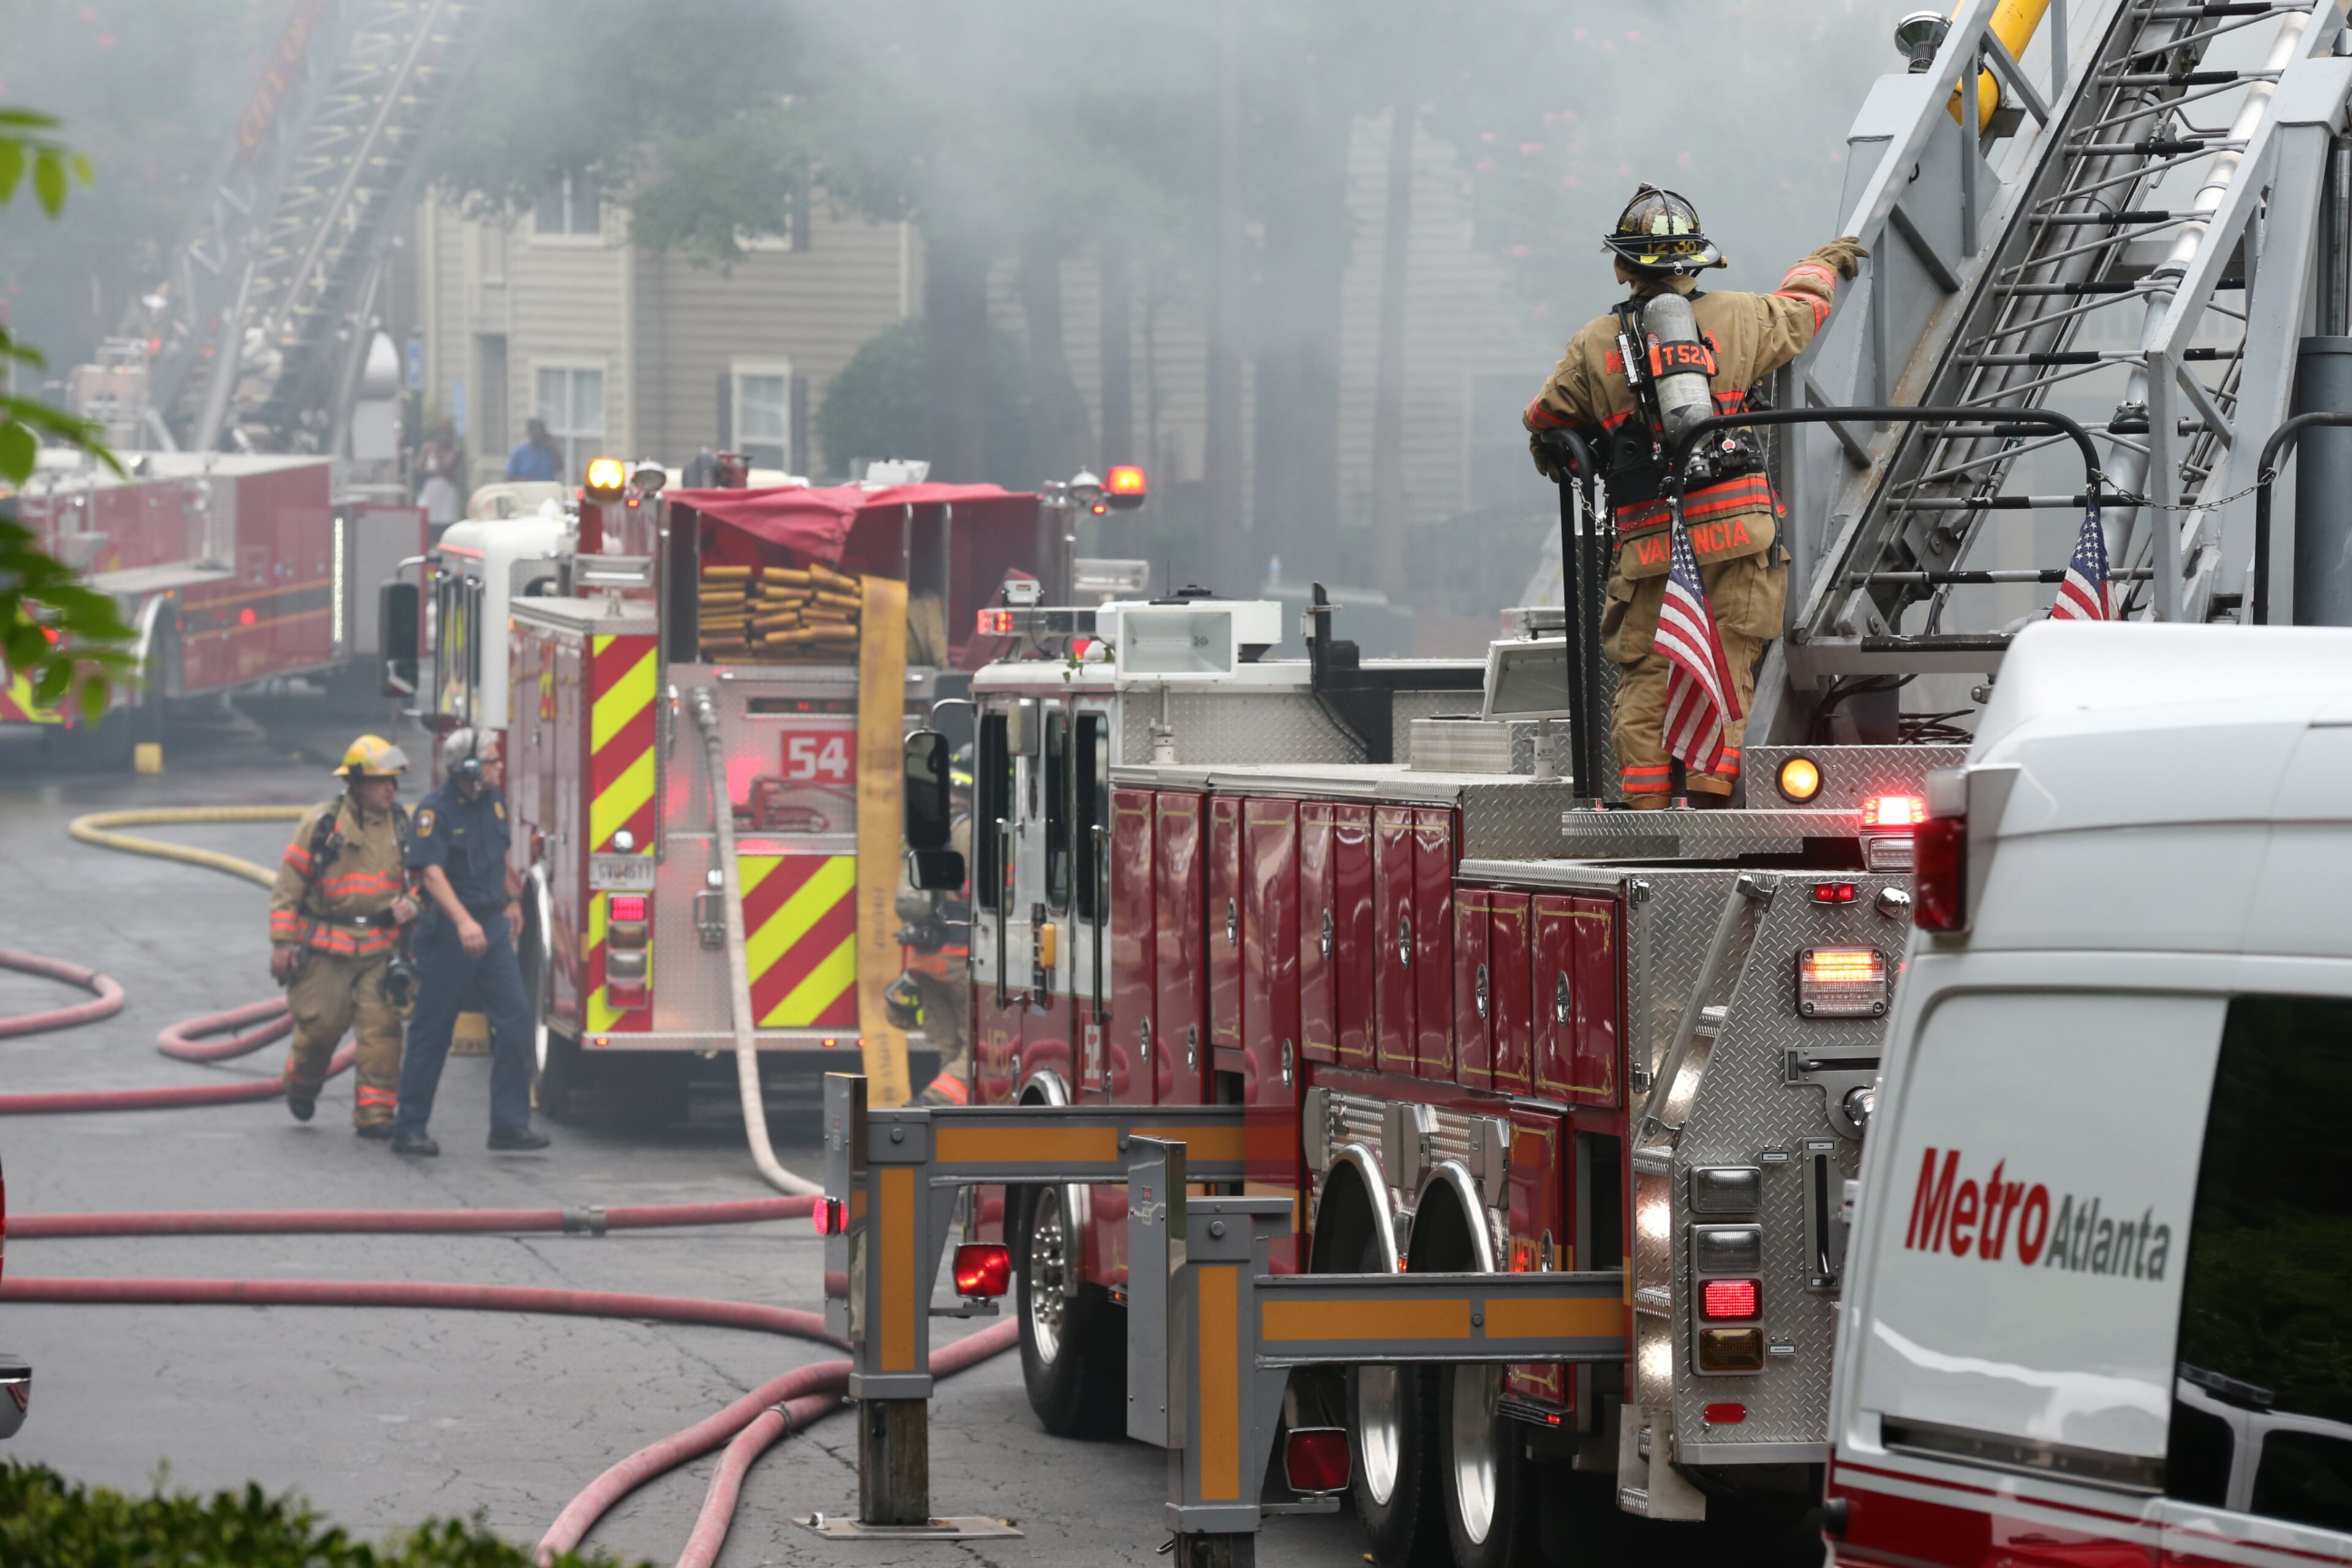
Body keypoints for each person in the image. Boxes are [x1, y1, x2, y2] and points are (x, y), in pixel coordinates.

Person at [1523, 184, 1866, 808]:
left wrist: (1570, 445)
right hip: (1740, 535)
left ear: (1623, 265)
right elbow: (1804, 309)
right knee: (1728, 671)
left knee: (1649, 675)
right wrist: (1821, 263)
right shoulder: (1742, 316)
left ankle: (1650, 808)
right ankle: (1711, 802)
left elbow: (1545, 416)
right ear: (1697, 263)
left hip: (1653, 541)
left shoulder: (1594, 343)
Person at [390, 726, 548, 1155]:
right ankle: (409, 1127)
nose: (500, 767)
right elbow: (430, 874)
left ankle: (509, 1126)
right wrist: (463, 922)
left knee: (516, 1021)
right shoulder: (434, 812)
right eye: (494, 760)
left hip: (492, 928)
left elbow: (498, 858)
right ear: (471, 769)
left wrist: (512, 898)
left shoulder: (494, 803)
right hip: (449, 935)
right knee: (432, 1031)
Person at [268, 736, 417, 1134]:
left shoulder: (402, 826)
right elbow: (288, 887)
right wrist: (283, 944)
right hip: (326, 948)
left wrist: (413, 903)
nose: (392, 789)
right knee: (320, 1029)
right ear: (356, 783)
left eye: (394, 781)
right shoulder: (321, 826)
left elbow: (422, 879)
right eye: (382, 780)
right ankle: (301, 1085)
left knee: (382, 1032)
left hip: (381, 949)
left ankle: (376, 1115)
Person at [892, 750, 973, 1106]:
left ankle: (948, 1136)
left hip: (925, 958)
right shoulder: (972, 830)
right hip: (962, 959)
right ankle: (930, 1105)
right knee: (978, 1056)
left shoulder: (927, 827)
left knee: (951, 1052)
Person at [505, 417, 561, 482]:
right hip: (526, 489)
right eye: (535, 431)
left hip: (546, 489)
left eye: (541, 431)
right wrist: (523, 481)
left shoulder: (549, 452)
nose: (538, 434)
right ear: (529, 432)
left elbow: (559, 468)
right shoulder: (519, 453)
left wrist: (552, 446)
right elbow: (510, 476)